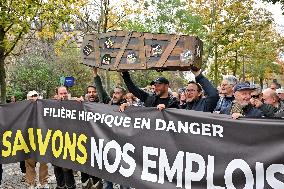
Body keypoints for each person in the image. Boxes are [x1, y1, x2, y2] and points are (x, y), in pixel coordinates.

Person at [53, 86, 76, 189]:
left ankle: (71, 186)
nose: (63, 95)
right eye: (61, 93)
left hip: (68, 140)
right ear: (57, 94)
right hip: (55, 140)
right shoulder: (51, 104)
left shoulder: (73, 103)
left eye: (65, 93)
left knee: (66, 166)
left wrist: (79, 100)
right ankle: (60, 185)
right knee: (56, 165)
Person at [25, 90, 49, 189]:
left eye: (35, 96)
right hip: (29, 139)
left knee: (44, 162)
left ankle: (44, 182)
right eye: (31, 96)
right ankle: (31, 183)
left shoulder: (44, 106)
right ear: (28, 98)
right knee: (29, 163)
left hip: (42, 138)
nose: (34, 98)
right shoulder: (23, 109)